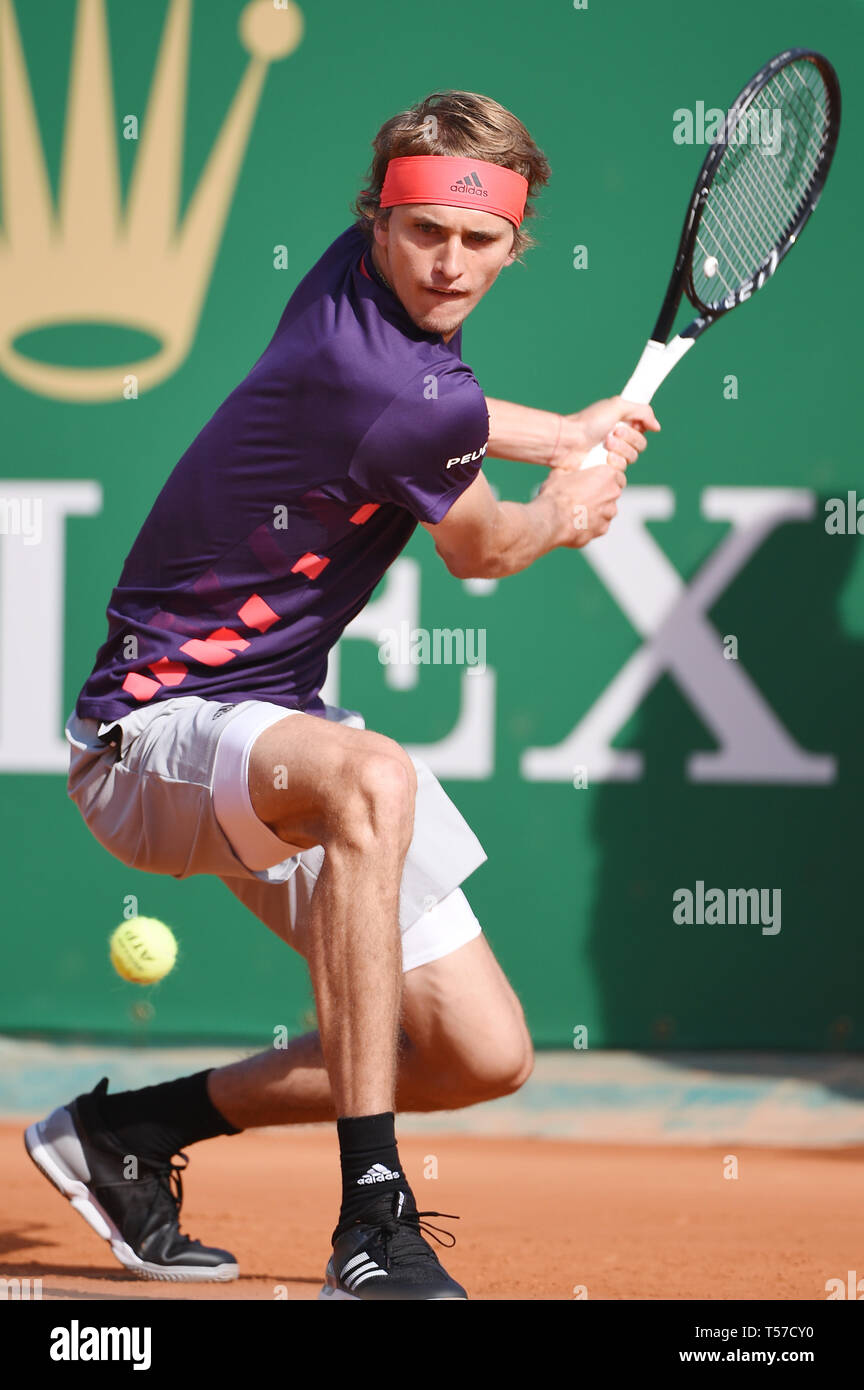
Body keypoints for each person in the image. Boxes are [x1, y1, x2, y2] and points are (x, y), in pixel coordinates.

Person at [25, 89, 659, 1300]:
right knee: (376, 778)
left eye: (481, 241)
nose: (451, 262)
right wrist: (562, 514)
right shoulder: (389, 383)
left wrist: (564, 427)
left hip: (263, 731)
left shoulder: (363, 295)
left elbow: (452, 415)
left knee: (480, 1053)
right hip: (145, 740)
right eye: (426, 232)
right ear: (377, 220)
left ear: (516, 243)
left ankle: (125, 1135)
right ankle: (372, 1219)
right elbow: (481, 548)